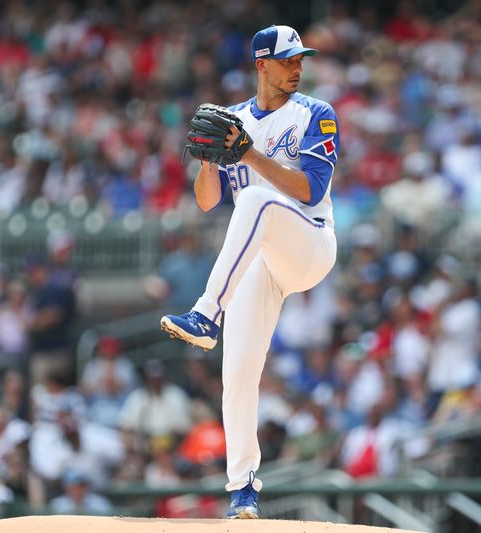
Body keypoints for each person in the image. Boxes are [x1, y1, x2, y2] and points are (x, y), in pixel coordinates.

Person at [160, 24, 339, 519]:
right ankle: (243, 488)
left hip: (308, 244)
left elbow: (310, 190)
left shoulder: (315, 114)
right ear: (262, 64)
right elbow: (207, 202)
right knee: (237, 372)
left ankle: (205, 313)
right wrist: (208, 163)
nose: (298, 68)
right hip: (258, 258)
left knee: (259, 198)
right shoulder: (234, 119)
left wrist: (247, 154)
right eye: (288, 60)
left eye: (301, 59)